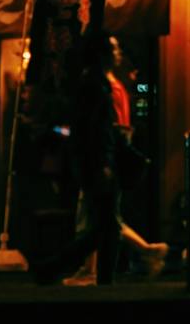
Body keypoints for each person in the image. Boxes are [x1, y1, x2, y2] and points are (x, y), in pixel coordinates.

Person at [64, 37, 169, 284]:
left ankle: (94, 268)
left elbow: (108, 127)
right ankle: (142, 252)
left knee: (95, 215)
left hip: (102, 158)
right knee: (103, 215)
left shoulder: (104, 87)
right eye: (114, 49)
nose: (118, 53)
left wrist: (102, 158)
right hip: (108, 156)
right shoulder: (113, 86)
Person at [32, 41, 122, 284]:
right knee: (106, 226)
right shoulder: (95, 87)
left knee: (104, 226)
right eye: (113, 50)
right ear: (102, 56)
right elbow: (94, 130)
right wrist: (104, 161)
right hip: (96, 162)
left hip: (90, 161)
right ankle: (55, 267)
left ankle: (62, 269)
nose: (118, 54)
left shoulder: (90, 84)